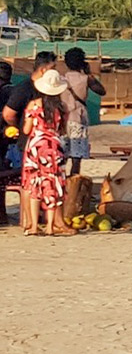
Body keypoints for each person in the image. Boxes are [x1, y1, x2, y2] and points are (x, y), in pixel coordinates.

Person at [4, 51, 57, 231]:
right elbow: (8, 113)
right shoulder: (25, 89)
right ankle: (31, 221)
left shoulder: (38, 98)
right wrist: (19, 132)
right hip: (33, 145)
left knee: (31, 184)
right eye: (53, 67)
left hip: (31, 144)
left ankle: (32, 223)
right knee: (36, 184)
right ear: (43, 70)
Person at [22, 70, 74, 236]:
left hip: (36, 147)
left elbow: (27, 129)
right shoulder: (62, 108)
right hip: (54, 147)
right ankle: (51, 226)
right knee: (53, 186)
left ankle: (34, 226)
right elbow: (63, 130)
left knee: (34, 185)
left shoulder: (34, 105)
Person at [60, 47, 106, 176]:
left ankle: (60, 182)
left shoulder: (61, 79)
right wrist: (89, 73)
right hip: (78, 118)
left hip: (62, 120)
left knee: (61, 154)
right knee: (76, 156)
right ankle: (74, 182)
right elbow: (102, 91)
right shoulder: (86, 79)